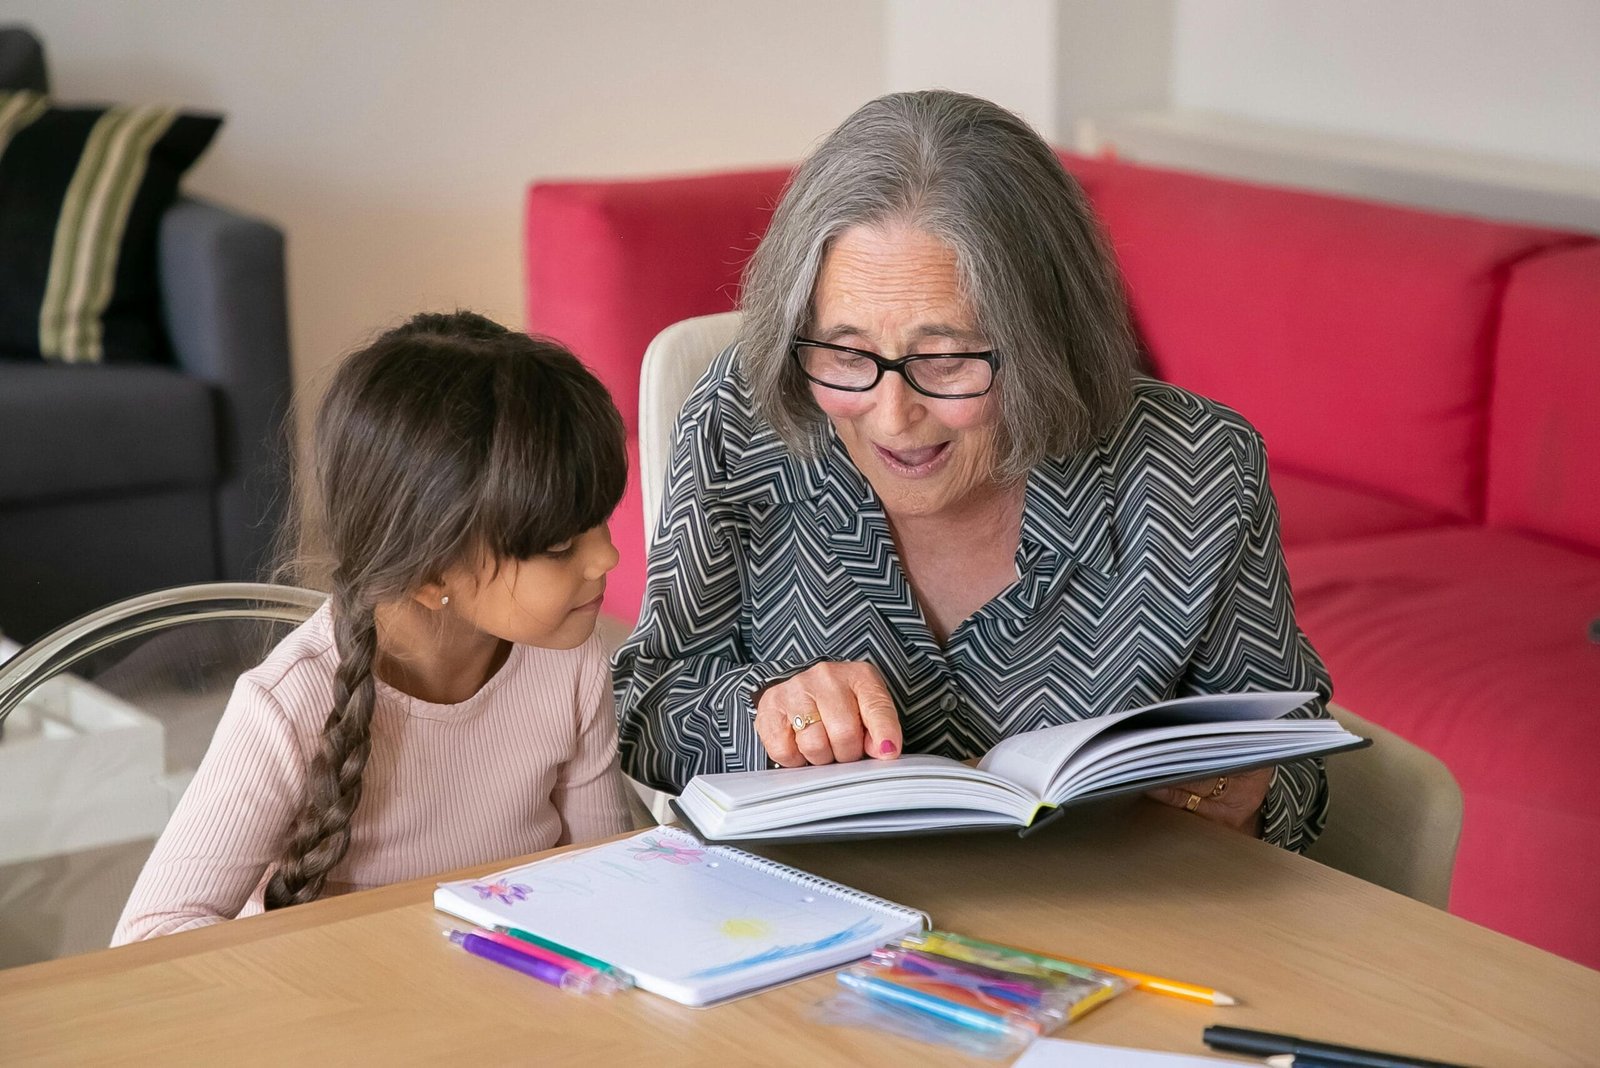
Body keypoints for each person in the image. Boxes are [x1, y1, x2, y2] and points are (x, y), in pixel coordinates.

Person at [615, 90, 1334, 851]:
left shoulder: (1196, 469)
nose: (892, 417)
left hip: (1110, 927)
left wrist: (1240, 793)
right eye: (847, 354)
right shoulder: (748, 418)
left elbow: (1293, 750)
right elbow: (646, 703)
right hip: (807, 920)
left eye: (947, 360)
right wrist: (762, 709)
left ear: (1045, 342)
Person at [114, 311, 635, 942]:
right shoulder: (290, 706)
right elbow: (148, 939)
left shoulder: (569, 657)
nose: (606, 557)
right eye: (558, 545)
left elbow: (609, 882)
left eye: (600, 518)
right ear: (429, 573)